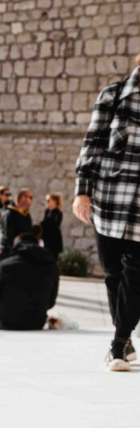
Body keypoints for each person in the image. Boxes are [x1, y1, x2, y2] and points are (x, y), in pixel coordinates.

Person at [74, 53, 140, 370]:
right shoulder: (114, 96)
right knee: (112, 273)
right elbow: (93, 143)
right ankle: (124, 340)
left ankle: (117, 345)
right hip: (109, 201)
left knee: (134, 275)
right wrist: (81, 191)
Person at [0, 231, 59, 331]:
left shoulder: (5, 266)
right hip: (36, 323)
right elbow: (51, 302)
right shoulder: (51, 267)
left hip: (6, 322)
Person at [0, 188, 33, 260]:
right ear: (22, 198)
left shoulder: (26, 214)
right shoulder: (9, 213)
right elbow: (8, 237)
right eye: (30, 197)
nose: (32, 200)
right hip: (11, 254)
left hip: (23, 253)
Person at [42, 193, 64, 262]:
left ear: (54, 201)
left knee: (53, 259)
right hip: (46, 239)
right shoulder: (47, 211)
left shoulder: (58, 213)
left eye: (48, 200)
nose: (47, 202)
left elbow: (54, 225)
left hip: (54, 239)